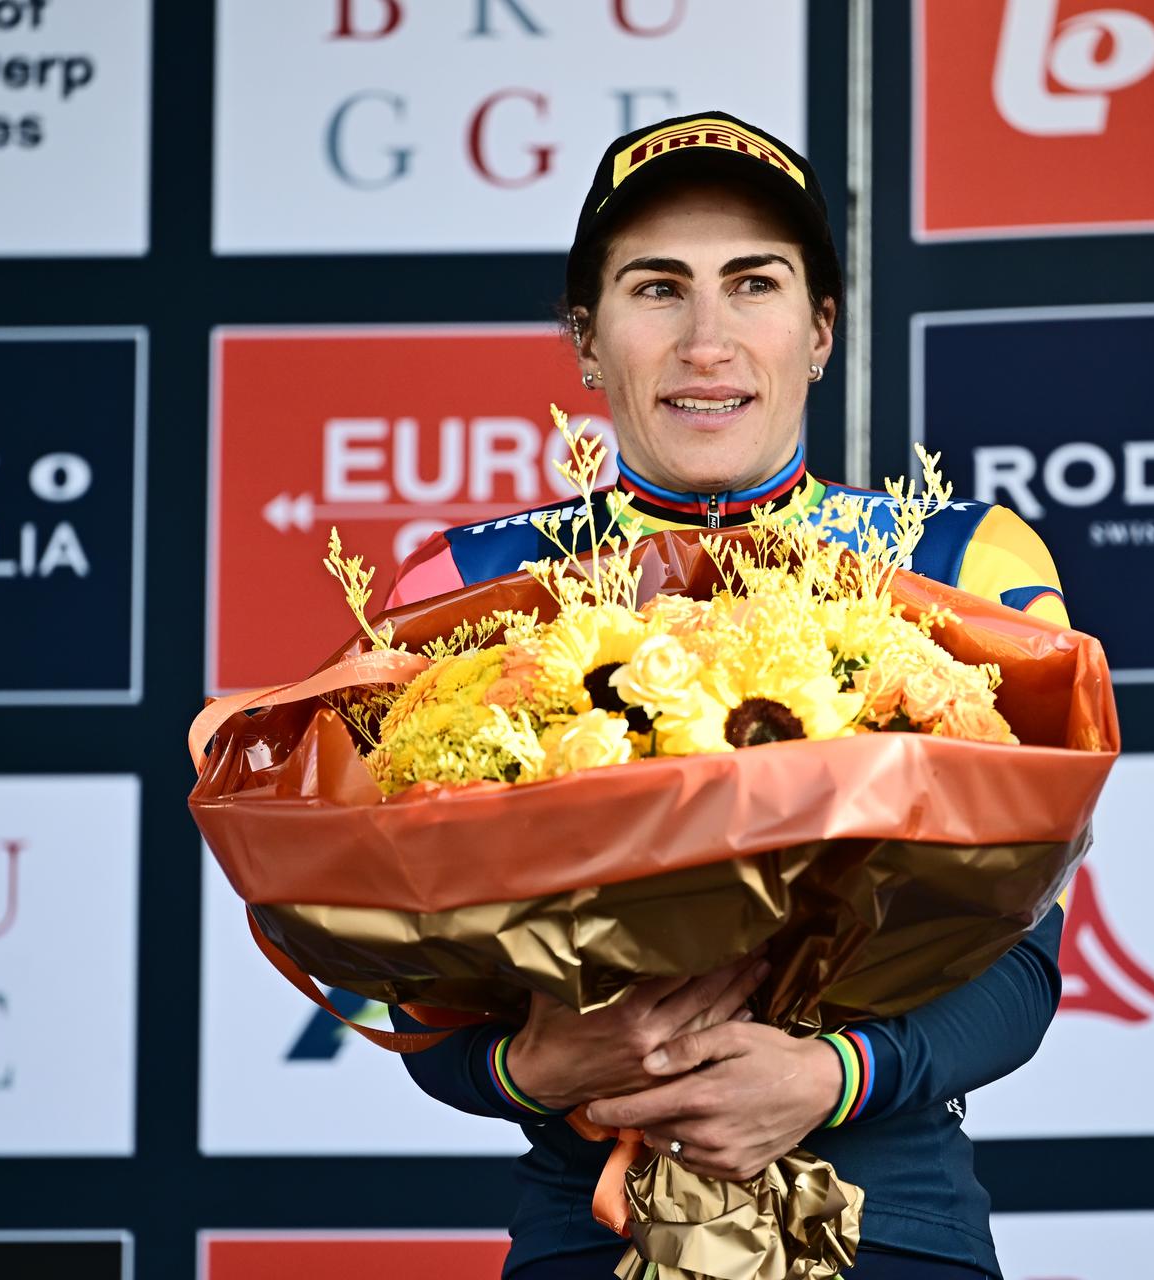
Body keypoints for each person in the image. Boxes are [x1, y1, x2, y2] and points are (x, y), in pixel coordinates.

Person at [384, 111, 1070, 1280]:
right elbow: (416, 990)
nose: (708, 338)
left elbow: (1022, 955)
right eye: (658, 288)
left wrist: (828, 1076)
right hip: (589, 1226)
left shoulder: (971, 567)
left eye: (752, 284)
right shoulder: (460, 590)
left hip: (889, 1223)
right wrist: (539, 1067)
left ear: (818, 332)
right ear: (586, 340)